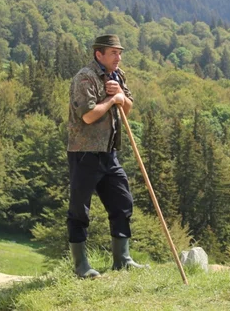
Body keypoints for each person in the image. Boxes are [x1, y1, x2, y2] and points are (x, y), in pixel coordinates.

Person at [66, 34, 145, 278]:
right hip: (84, 153)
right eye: (113, 53)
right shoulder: (85, 77)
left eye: (120, 53)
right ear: (98, 54)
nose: (118, 57)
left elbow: (127, 107)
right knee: (80, 210)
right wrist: (113, 99)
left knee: (123, 202)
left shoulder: (118, 76)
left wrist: (120, 96)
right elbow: (88, 116)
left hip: (109, 152)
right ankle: (81, 266)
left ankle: (122, 260)